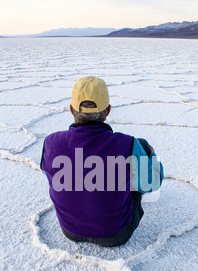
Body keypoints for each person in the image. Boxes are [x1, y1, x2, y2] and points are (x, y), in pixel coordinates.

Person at [40, 76, 163, 247]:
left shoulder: (51, 143)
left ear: (71, 109)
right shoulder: (128, 144)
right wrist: (152, 157)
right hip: (116, 234)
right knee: (140, 148)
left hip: (70, 230)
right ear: (108, 110)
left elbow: (48, 173)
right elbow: (151, 184)